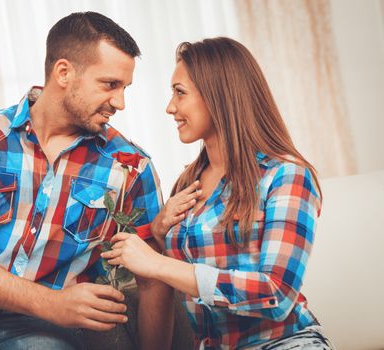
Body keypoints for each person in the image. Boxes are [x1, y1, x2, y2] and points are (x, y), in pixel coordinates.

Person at [0, 12, 175, 350]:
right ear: (63, 72)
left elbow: (153, 279)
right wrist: (52, 302)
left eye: (125, 88)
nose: (120, 102)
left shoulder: (131, 167)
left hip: (47, 333)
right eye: (110, 84)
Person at [101, 37, 334, 349]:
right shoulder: (187, 184)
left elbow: (276, 294)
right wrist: (157, 233)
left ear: (218, 96)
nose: (170, 108)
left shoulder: (285, 176)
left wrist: (158, 264)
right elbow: (167, 285)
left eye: (179, 93)